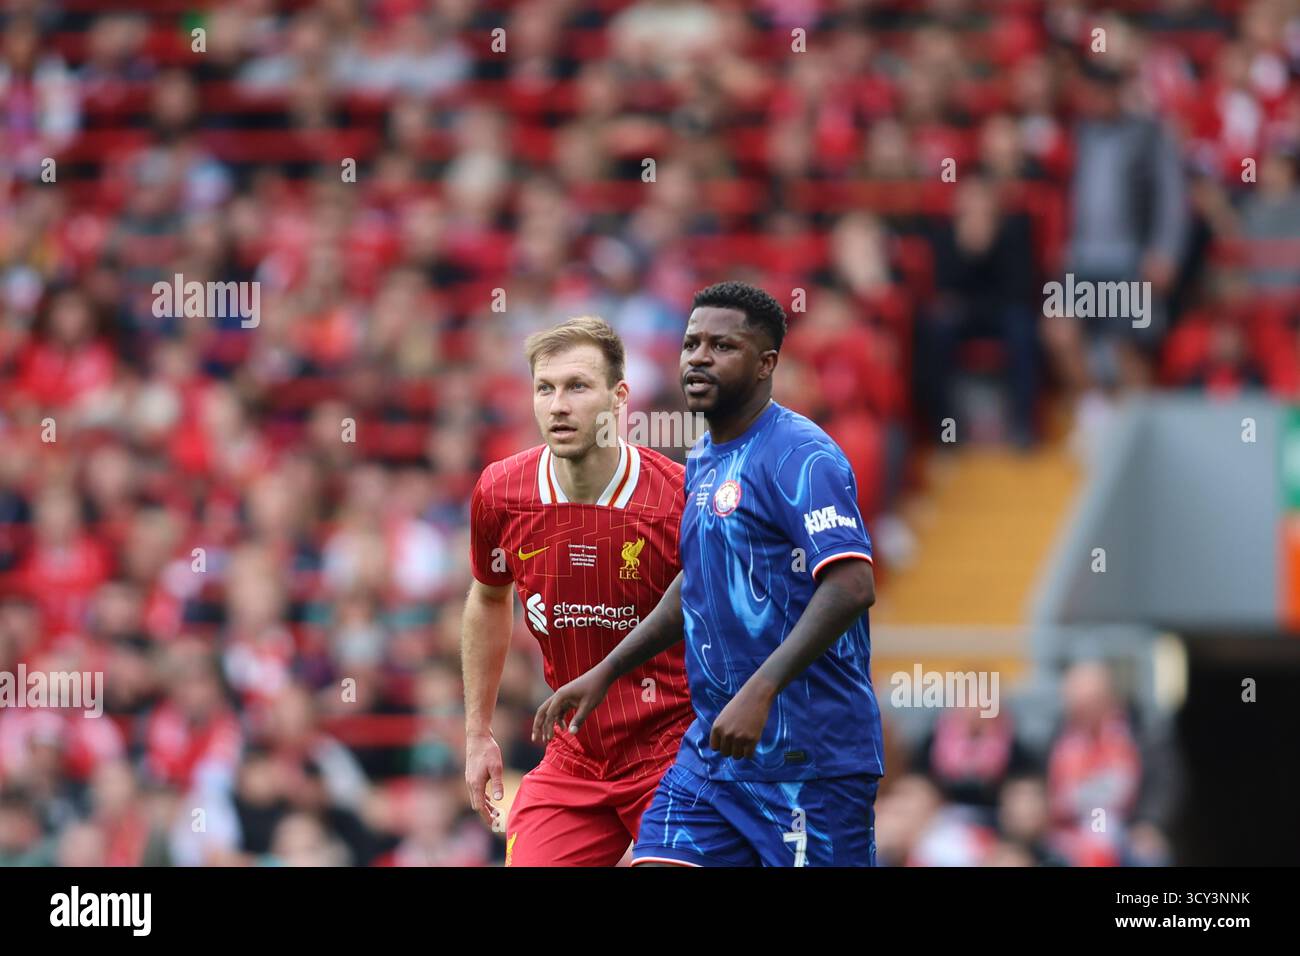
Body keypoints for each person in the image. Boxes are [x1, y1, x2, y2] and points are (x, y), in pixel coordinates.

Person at [535, 282, 883, 866]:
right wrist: (609, 668)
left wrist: (761, 689)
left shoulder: (801, 455)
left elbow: (852, 584)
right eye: (691, 342)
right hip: (713, 759)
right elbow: (697, 583)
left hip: (810, 762)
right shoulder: (701, 460)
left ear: (766, 363)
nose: (697, 356)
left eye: (721, 346)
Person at [462, 316, 692, 866]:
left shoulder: (680, 500)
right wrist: (477, 733)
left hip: (675, 750)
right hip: (575, 754)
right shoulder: (501, 492)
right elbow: (489, 598)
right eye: (545, 388)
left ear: (619, 398)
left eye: (577, 387)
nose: (558, 404)